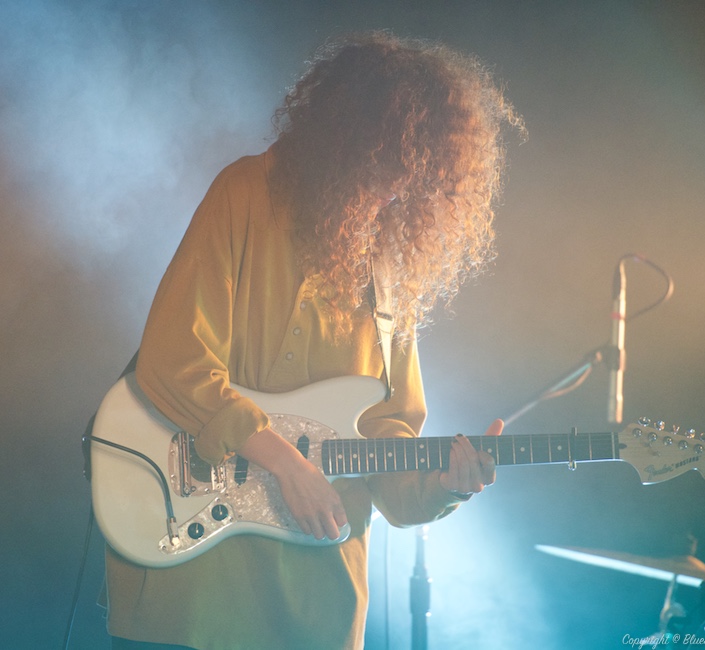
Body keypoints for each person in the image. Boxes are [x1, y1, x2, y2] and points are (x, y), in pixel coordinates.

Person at [104, 31, 523, 650]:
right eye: (384, 165)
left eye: (411, 176)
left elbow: (389, 446)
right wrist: (284, 460)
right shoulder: (244, 193)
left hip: (314, 598)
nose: (395, 191)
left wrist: (445, 487)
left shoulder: (390, 269)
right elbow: (174, 357)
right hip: (194, 575)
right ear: (342, 141)